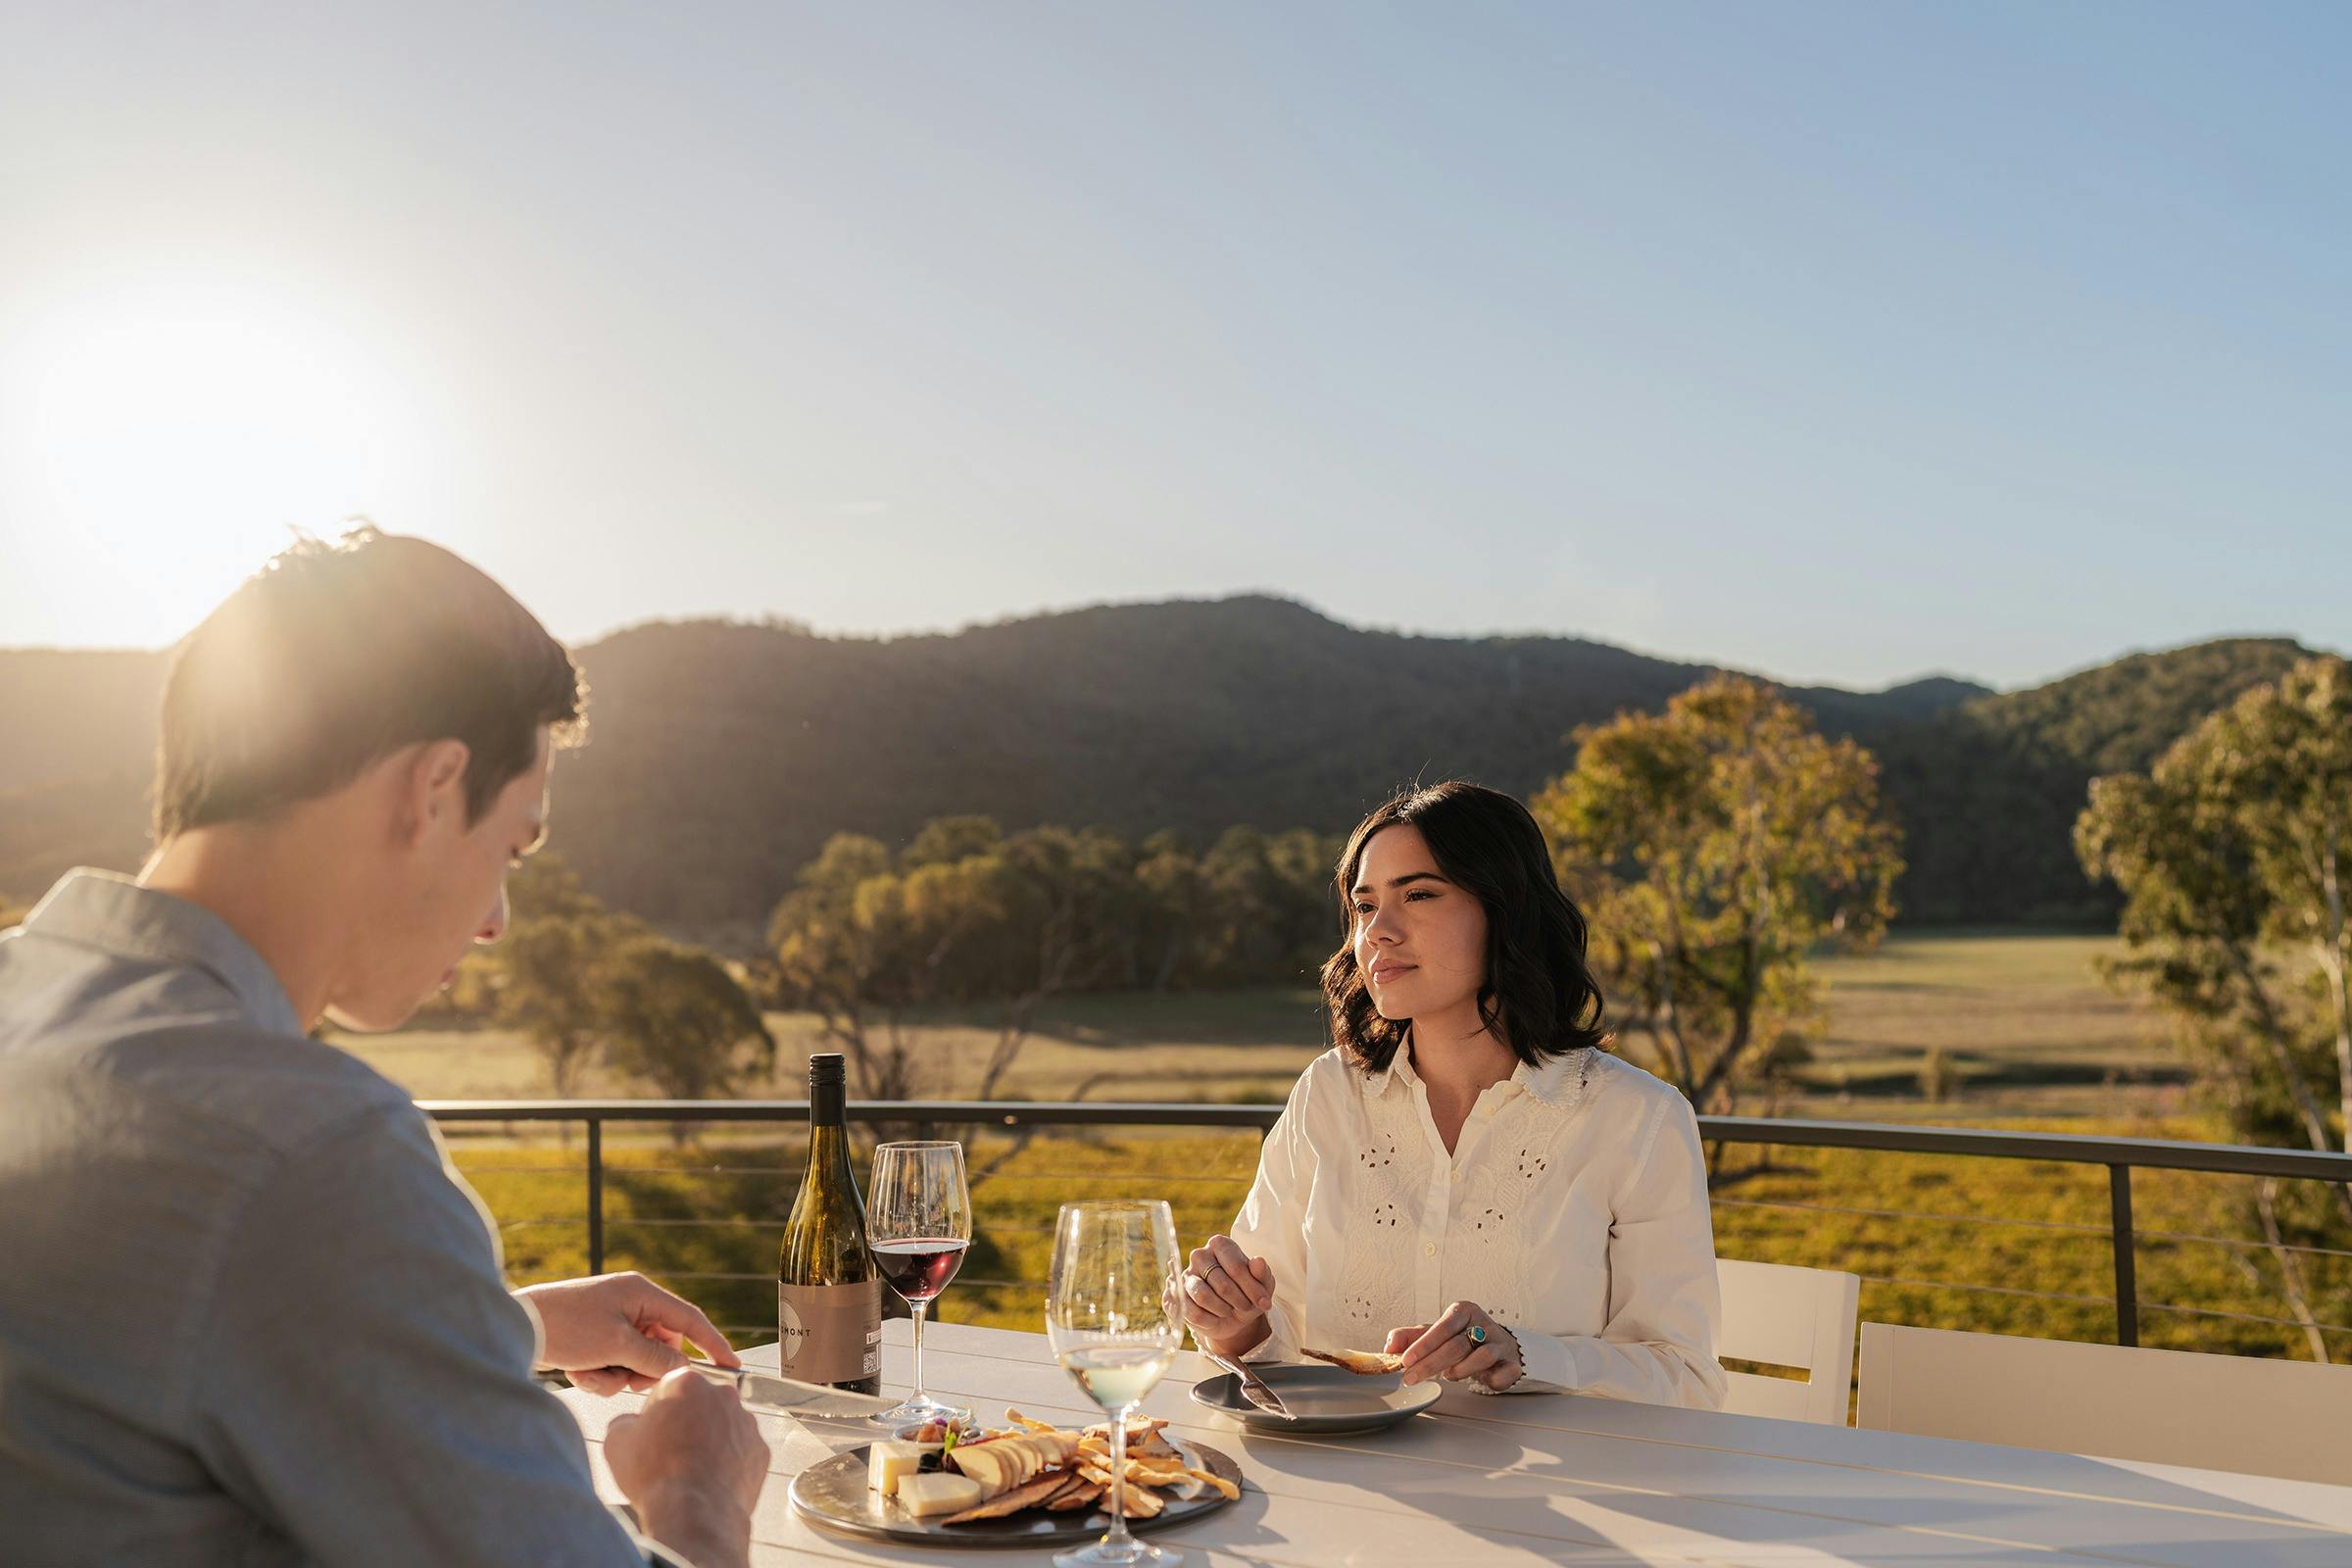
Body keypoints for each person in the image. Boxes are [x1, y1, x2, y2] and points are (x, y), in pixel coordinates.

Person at [0, 529, 769, 1567]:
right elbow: (274, 1238)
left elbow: (143, 1324)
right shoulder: (311, 1154)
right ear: (433, 789)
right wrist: (697, 1493)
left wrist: (501, 1323)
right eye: (513, 844)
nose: (497, 918)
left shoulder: (31, 999)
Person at [1180, 781, 1725, 1408]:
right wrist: (1234, 1323)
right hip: (1344, 1486)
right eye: (1363, 907)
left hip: (1551, 1496)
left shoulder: (1638, 1119)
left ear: (1506, 910)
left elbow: (1686, 1380)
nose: (1378, 932)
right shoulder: (1327, 1095)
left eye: (1418, 895)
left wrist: (1526, 1355)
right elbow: (1274, 1342)